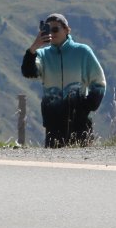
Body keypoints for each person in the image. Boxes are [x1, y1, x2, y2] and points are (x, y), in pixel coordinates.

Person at [21, 12, 106, 147]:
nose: (51, 33)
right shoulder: (42, 55)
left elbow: (99, 82)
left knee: (84, 158)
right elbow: (28, 73)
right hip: (53, 122)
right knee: (54, 159)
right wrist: (33, 48)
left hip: (80, 122)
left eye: (55, 29)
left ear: (67, 30)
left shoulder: (82, 51)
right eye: (47, 29)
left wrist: (86, 107)